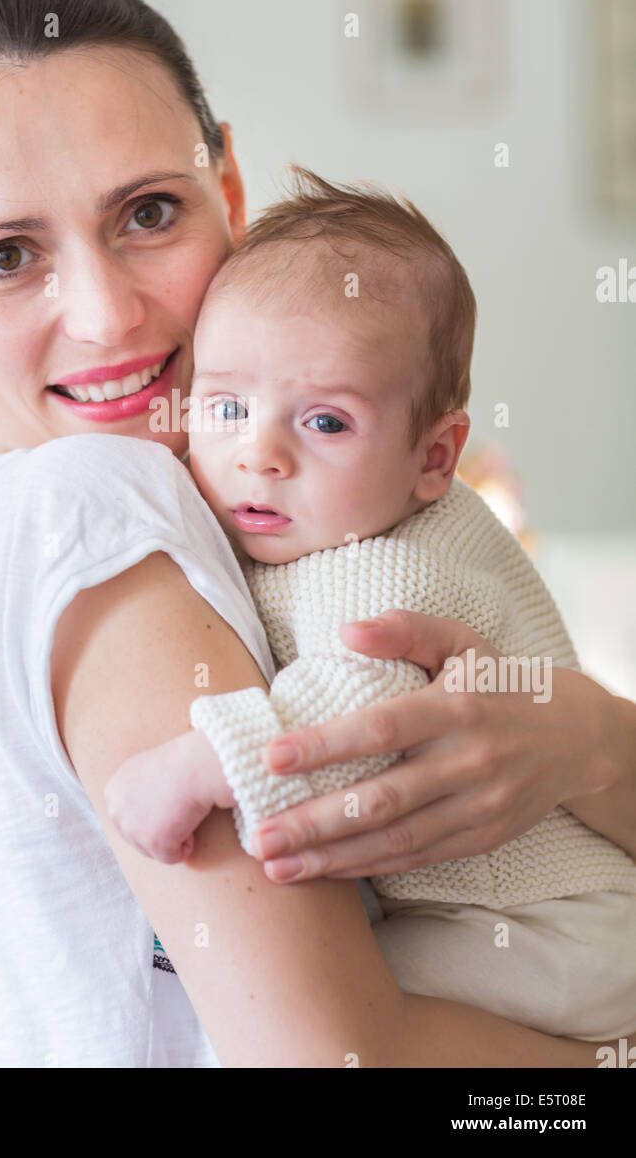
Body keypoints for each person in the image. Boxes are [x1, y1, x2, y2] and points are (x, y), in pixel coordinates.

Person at [0, 0, 636, 1067]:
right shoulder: (98, 504)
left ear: (227, 190)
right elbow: (334, 1061)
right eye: (5, 254)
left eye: (146, 212)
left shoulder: (212, 510)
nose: (102, 313)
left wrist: (590, 742)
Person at [104, 172, 636, 1041]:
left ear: (434, 456)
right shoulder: (322, 525)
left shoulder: (386, 566)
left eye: (326, 423)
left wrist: (203, 764)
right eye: (229, 406)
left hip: (553, 928)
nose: (260, 454)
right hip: (524, 924)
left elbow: (364, 709)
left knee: (311, 988)